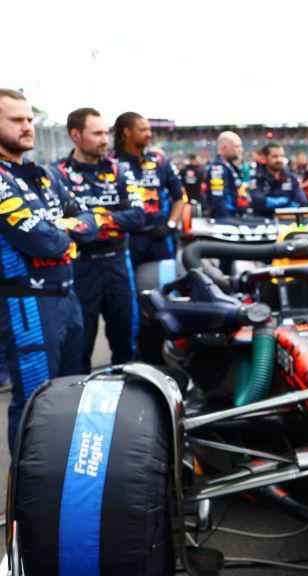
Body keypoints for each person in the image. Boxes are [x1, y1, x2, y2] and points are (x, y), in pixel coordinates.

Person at [0, 90, 98, 453]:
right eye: (16, 120)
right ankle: (23, 487)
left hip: (67, 298)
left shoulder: (42, 176)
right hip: (27, 302)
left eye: (29, 119)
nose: (28, 126)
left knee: (70, 395)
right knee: (35, 402)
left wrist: (63, 226)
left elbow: (90, 220)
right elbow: (43, 240)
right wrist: (65, 229)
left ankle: (60, 478)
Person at [52, 107, 144, 372]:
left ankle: (125, 394)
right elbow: (64, 226)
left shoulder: (121, 170)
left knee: (125, 343)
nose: (105, 140)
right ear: (76, 135)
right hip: (80, 267)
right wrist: (112, 218)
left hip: (118, 264)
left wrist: (92, 220)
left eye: (106, 133)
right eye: (97, 134)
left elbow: (138, 217)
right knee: (79, 346)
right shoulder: (57, 174)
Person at [113, 112, 184, 267]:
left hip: (160, 238)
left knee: (166, 280)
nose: (149, 134)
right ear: (127, 132)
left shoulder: (159, 161)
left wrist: (170, 225)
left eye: (149, 129)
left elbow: (179, 198)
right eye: (143, 130)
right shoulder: (111, 164)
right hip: (126, 241)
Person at [250, 142, 306, 217]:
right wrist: (286, 201)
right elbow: (257, 201)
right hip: (262, 220)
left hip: (286, 220)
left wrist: (283, 209)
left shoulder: (290, 177)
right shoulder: (257, 177)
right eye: (275, 156)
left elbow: (301, 200)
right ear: (265, 158)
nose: (279, 160)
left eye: (281, 156)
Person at [204, 131, 246, 218]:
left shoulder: (229, 165)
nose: (240, 150)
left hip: (233, 215)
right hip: (225, 218)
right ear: (224, 148)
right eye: (236, 146)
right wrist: (226, 220)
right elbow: (217, 199)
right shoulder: (218, 168)